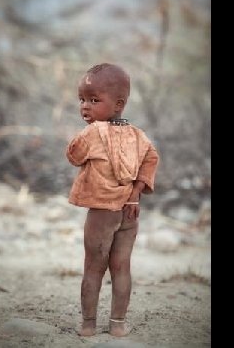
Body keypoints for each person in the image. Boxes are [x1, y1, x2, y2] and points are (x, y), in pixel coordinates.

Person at [65, 63, 159, 337]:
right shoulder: (138, 135)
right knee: (121, 267)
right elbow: (152, 159)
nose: (85, 107)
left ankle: (89, 324)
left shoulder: (94, 132)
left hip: (102, 212)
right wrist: (135, 191)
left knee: (93, 267)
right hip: (130, 212)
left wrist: (84, 132)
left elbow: (74, 156)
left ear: (118, 104)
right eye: (82, 100)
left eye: (94, 100)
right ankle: (118, 325)